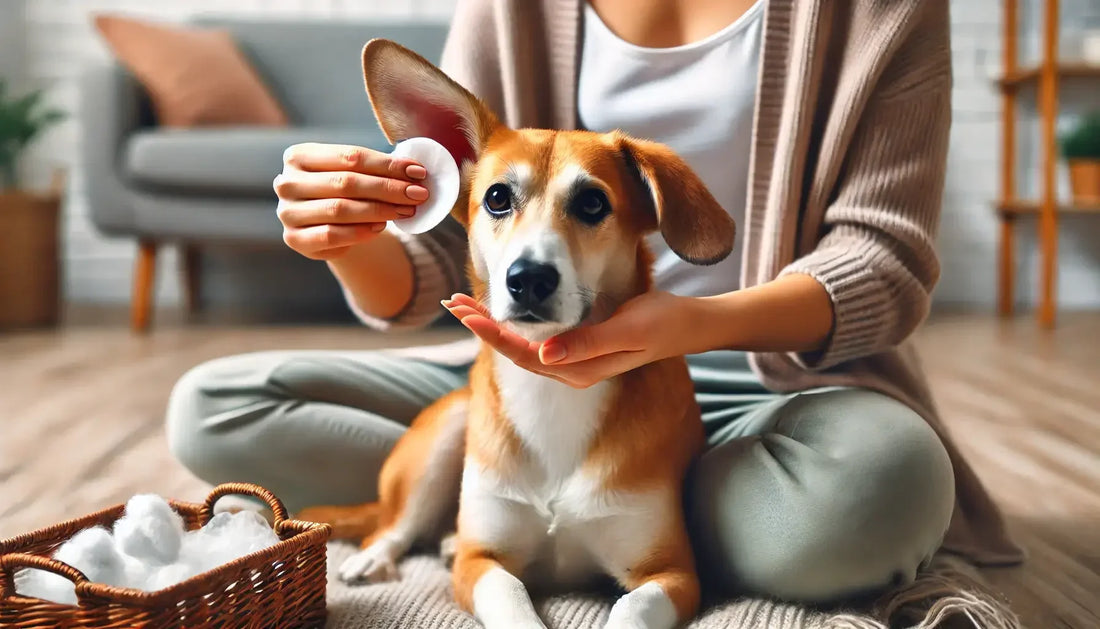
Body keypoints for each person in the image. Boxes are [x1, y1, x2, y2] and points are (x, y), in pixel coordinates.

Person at [166, 0, 1024, 606]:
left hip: (768, 384)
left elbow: (886, 258)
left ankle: (641, 501)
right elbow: (435, 254)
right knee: (213, 407)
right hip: (512, 365)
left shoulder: (880, 9)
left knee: (888, 484)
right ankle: (486, 493)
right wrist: (351, 242)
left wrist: (686, 327)